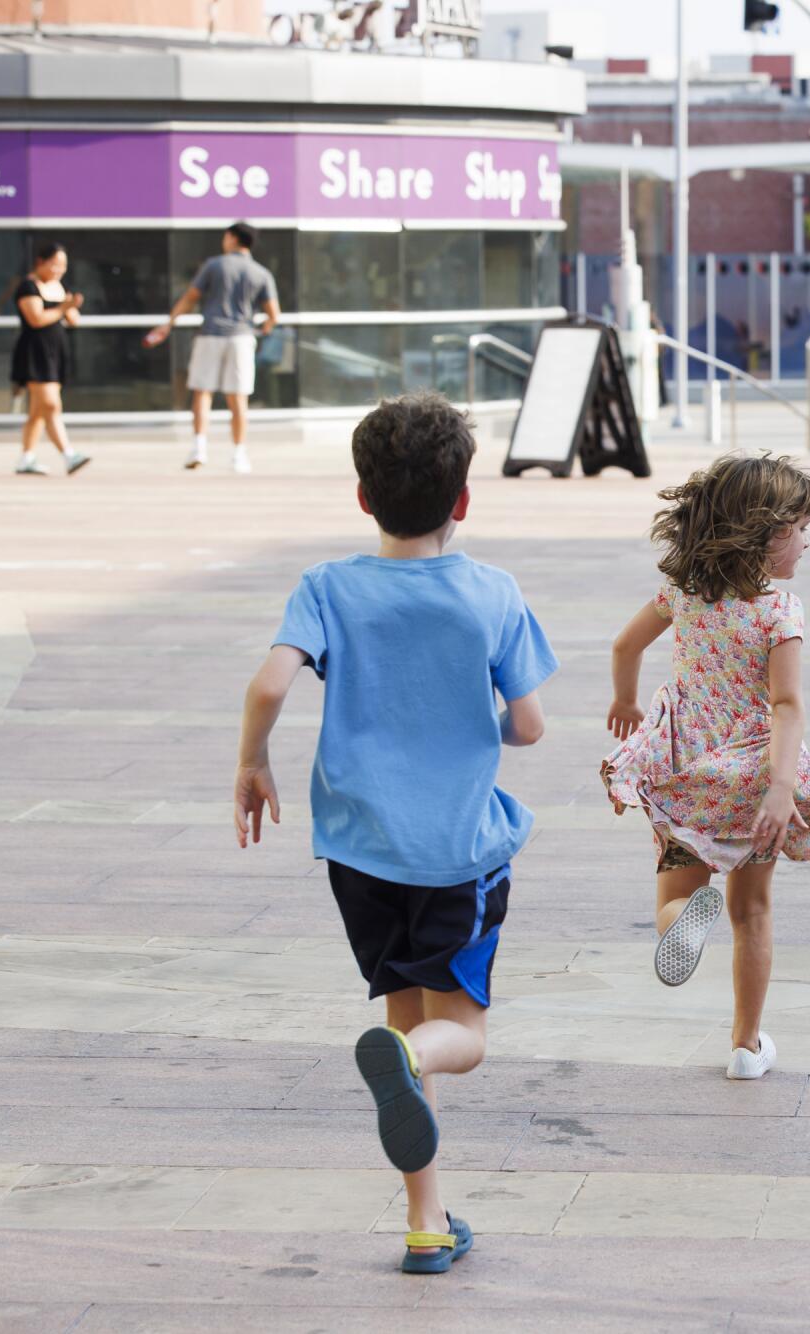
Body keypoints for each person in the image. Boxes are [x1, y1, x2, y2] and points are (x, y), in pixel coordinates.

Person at [232, 391, 555, 1274]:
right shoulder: (490, 592)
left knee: (404, 1031)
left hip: (360, 852)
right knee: (460, 1040)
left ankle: (426, 1222)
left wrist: (253, 762)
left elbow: (269, 684)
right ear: (463, 500)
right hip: (455, 852)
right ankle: (409, 1060)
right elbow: (527, 726)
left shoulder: (327, 586)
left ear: (364, 497)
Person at [602, 453, 810, 1080]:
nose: (807, 543)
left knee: (675, 897)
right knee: (752, 910)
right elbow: (787, 705)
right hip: (749, 776)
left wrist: (626, 700)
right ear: (765, 533)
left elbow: (625, 645)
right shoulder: (778, 611)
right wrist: (782, 789)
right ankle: (745, 1045)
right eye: (801, 529)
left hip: (684, 770)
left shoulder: (682, 592)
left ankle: (683, 922)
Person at [149, 221, 281, 475]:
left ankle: (199, 447)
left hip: (210, 335)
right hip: (241, 338)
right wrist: (261, 329)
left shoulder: (214, 265)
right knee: (238, 398)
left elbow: (190, 298)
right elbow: (273, 314)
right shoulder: (261, 273)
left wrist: (169, 323)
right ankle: (239, 454)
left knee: (202, 392)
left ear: (232, 238)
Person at [10, 242, 90, 477]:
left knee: (37, 411)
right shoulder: (28, 286)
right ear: (41, 262)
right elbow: (36, 319)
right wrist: (62, 308)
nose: (58, 270)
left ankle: (26, 458)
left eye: (62, 266)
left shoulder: (58, 286)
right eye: (55, 264)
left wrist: (71, 307)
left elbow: (73, 319)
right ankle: (68, 454)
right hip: (35, 352)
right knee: (51, 405)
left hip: (56, 351)